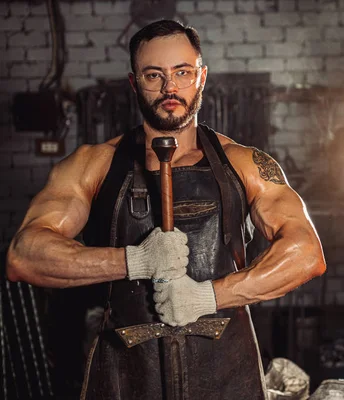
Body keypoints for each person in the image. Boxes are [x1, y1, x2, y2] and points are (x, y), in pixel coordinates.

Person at [6, 19, 326, 399]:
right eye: (154, 75)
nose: (170, 87)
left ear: (201, 77)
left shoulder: (244, 164)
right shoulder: (94, 164)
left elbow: (306, 255)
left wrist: (208, 296)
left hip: (226, 374)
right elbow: (24, 256)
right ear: (134, 82)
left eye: (182, 73)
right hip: (127, 376)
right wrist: (134, 261)